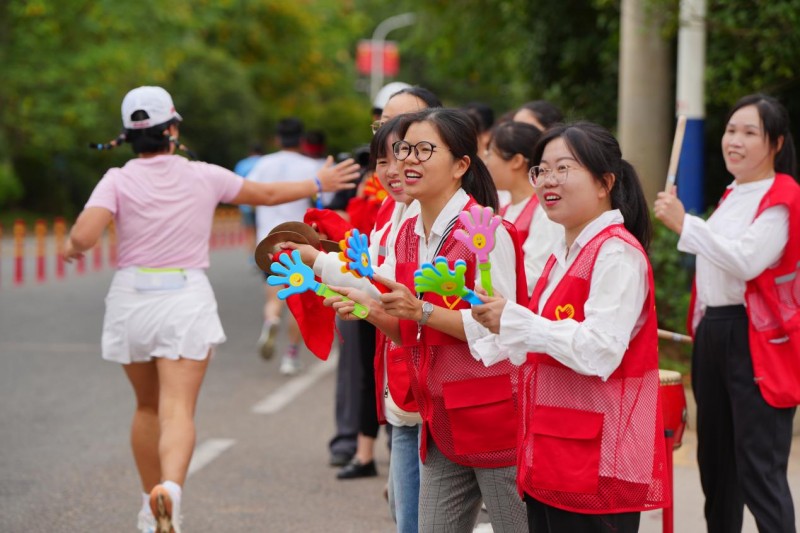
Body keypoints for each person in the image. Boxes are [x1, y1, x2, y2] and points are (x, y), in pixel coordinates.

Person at [63, 86, 359, 533]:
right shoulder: (203, 174)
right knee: (177, 409)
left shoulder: (117, 178)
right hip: (185, 297)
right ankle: (173, 493)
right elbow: (268, 194)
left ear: (128, 136)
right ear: (174, 128)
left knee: (146, 408)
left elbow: (85, 235)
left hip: (132, 297)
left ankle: (149, 506)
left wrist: (70, 246)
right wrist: (320, 183)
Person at [328, 108, 529, 532]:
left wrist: (421, 310)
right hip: (439, 419)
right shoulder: (407, 233)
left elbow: (506, 332)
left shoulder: (486, 231)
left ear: (460, 165)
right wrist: (369, 311)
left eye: (424, 150)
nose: (407, 161)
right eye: (403, 150)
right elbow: (410, 333)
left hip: (496, 423)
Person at [469, 121, 668, 532]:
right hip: (556, 452)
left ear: (604, 183)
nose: (548, 181)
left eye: (564, 168)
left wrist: (517, 320)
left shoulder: (615, 253)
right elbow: (537, 341)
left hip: (596, 460)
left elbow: (600, 349)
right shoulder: (566, 253)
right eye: (541, 170)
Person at [654, 94, 799, 533]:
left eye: (749, 132)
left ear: (775, 143)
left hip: (754, 336)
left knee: (758, 468)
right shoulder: (733, 194)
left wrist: (686, 224)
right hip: (716, 331)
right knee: (715, 465)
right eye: (731, 130)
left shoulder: (783, 195)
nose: (734, 140)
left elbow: (747, 261)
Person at [324, 85, 443, 475]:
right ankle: (359, 446)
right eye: (384, 127)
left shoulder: (465, 223)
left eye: (407, 135)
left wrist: (317, 263)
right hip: (401, 385)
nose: (396, 152)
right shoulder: (390, 208)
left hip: (440, 399)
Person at [250, 117, 324, 375]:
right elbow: (323, 201)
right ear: (301, 139)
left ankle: (271, 320)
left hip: (268, 241)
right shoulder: (312, 166)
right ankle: (290, 356)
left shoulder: (262, 164)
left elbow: (249, 198)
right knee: (297, 299)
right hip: (299, 241)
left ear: (278, 139)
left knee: (274, 295)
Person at [484, 120, 564, 291]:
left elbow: (535, 274)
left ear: (516, 161)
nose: (486, 161)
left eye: (490, 153)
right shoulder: (503, 209)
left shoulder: (544, 211)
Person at [233, 143, 263, 260]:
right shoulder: (264, 162)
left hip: (245, 204)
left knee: (250, 231)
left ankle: (252, 257)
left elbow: (236, 184)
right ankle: (263, 255)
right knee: (261, 229)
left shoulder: (242, 164)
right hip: (262, 204)